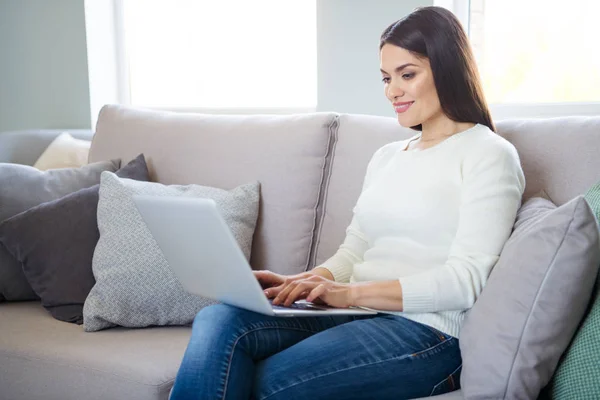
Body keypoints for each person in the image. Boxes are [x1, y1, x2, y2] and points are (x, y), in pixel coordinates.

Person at [170, 6, 525, 400]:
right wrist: (307, 280)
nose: (392, 91)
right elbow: (355, 249)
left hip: (427, 333)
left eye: (407, 75)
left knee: (260, 386)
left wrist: (352, 293)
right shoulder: (387, 156)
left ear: (447, 68)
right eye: (387, 78)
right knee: (219, 317)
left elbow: (466, 282)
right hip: (353, 313)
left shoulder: (489, 154)